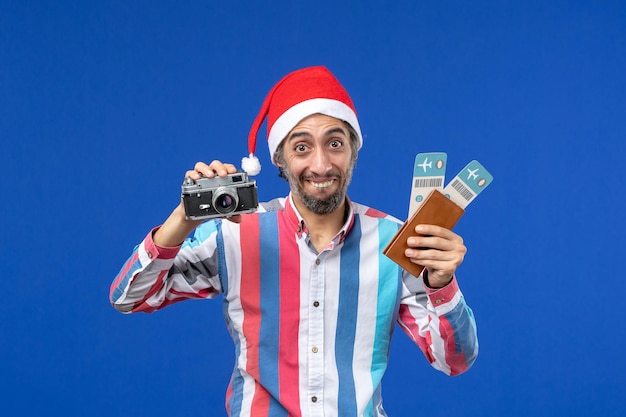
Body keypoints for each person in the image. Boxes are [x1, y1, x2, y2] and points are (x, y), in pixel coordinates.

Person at [110, 66, 478, 417]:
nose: (321, 165)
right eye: (302, 147)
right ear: (279, 160)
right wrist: (184, 217)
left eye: (335, 143)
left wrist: (440, 283)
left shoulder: (395, 240)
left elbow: (455, 361)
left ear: (353, 151)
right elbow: (130, 296)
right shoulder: (233, 233)